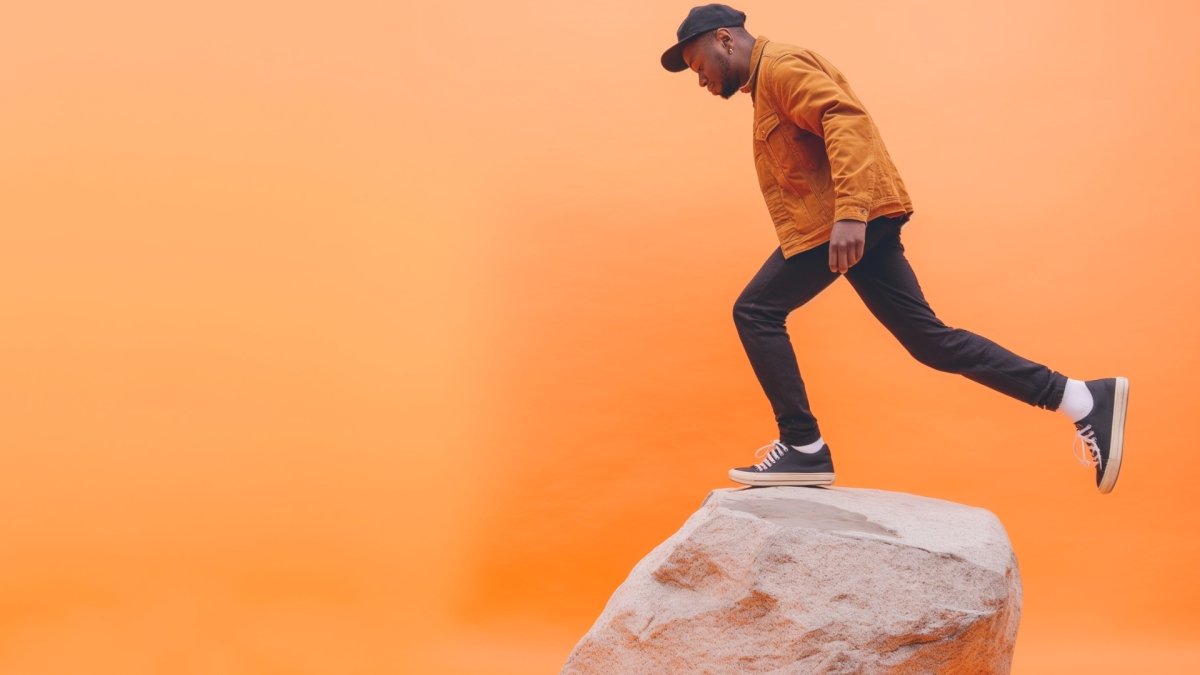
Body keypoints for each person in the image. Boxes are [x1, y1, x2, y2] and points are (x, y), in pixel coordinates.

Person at [660, 4, 1129, 493]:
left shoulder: (779, 67)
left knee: (755, 311)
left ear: (725, 40)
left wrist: (849, 215)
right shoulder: (768, 81)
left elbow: (845, 119)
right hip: (857, 222)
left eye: (698, 67)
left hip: (845, 222)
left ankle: (803, 446)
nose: (701, 81)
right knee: (930, 341)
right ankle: (1081, 398)